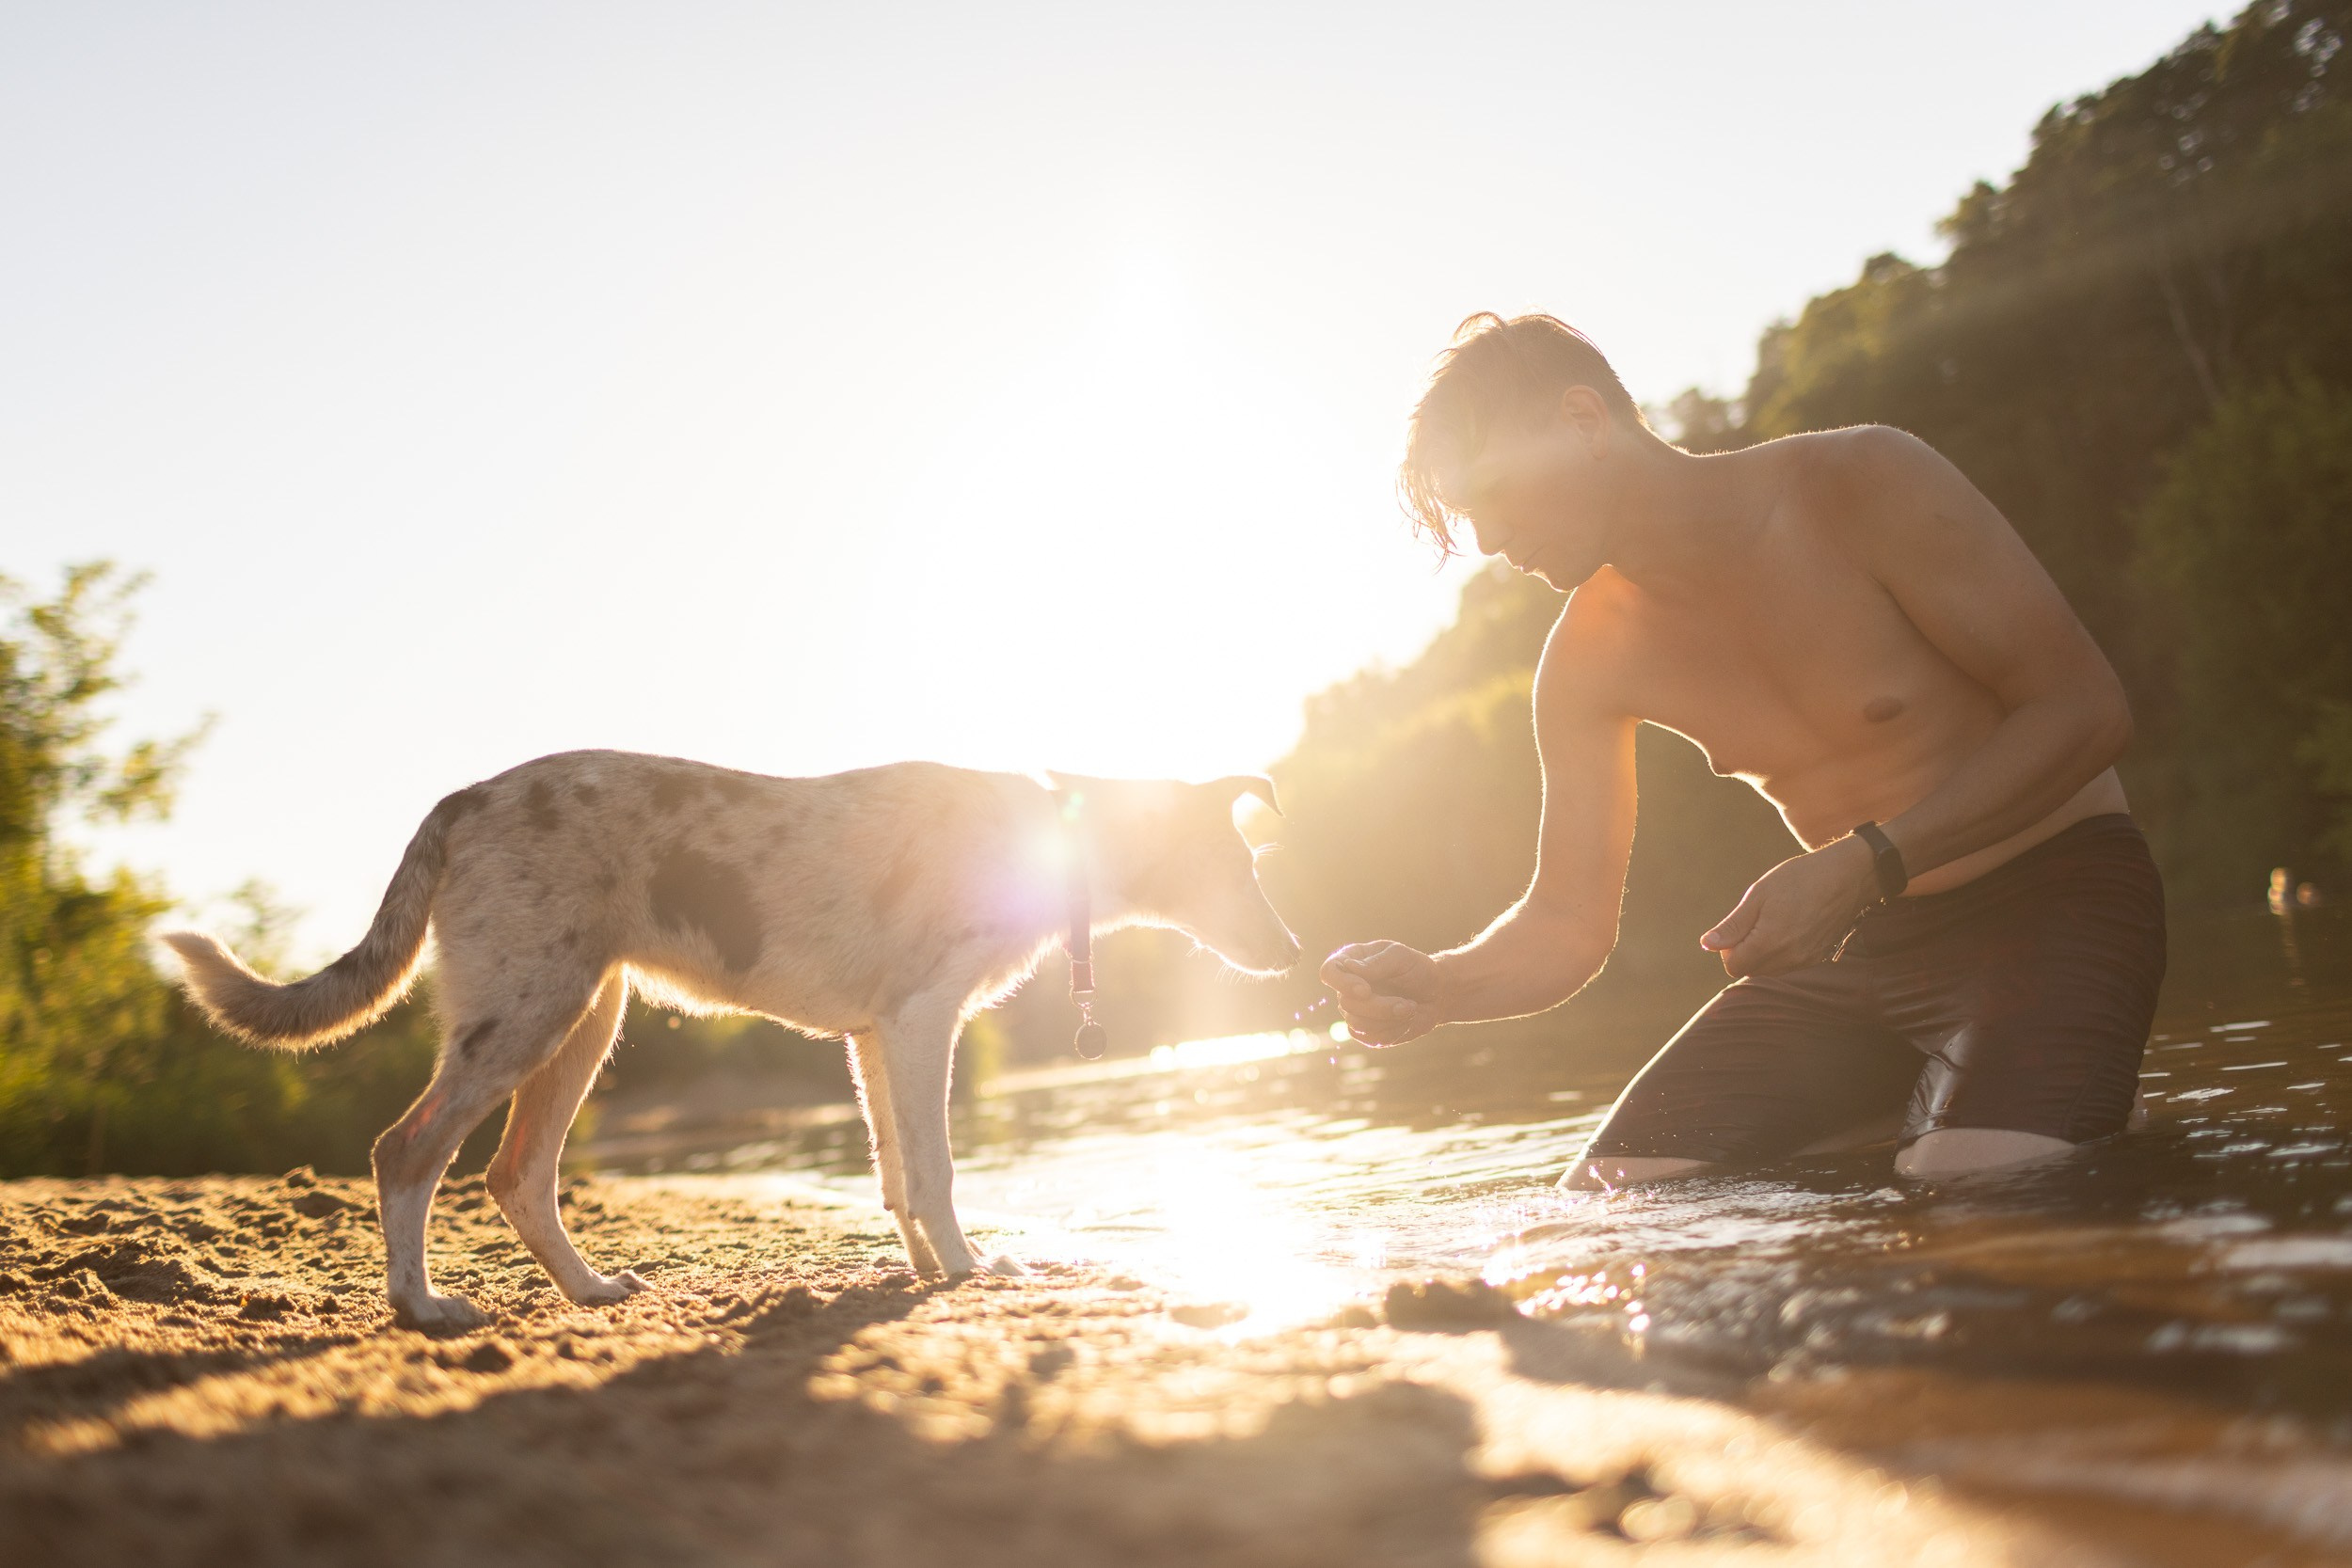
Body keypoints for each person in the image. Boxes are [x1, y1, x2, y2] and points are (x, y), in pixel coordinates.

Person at [1322, 313, 2166, 1187]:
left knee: (1972, 1187)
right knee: (1614, 1198)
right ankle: (1954, 1101)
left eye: (1495, 493)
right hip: (1869, 949)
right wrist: (1442, 984)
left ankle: (2015, 1109)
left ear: (1582, 420)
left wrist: (1858, 865)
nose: (1490, 542)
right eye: (1471, 515)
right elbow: (1568, 921)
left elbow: (2086, 708)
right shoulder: (1585, 663)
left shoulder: (1861, 481)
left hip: (2061, 899)